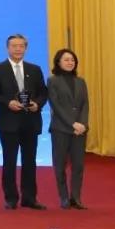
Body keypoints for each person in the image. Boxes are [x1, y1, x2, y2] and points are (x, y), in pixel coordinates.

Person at [0, 33, 49, 210]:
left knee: (30, 161)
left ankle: (30, 198)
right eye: (14, 46)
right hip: (8, 122)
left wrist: (37, 104)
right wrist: (8, 103)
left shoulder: (34, 69)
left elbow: (43, 92)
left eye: (21, 46)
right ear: (8, 48)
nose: (18, 49)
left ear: (26, 48)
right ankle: (11, 198)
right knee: (9, 161)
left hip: (31, 121)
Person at [49, 48, 89, 210]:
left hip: (80, 130)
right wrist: (72, 124)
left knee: (78, 165)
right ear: (58, 62)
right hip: (61, 129)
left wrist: (83, 124)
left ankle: (76, 197)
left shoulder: (81, 82)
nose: (70, 62)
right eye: (66, 60)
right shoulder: (53, 81)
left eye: (72, 60)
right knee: (60, 165)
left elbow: (85, 105)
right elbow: (56, 105)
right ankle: (64, 197)